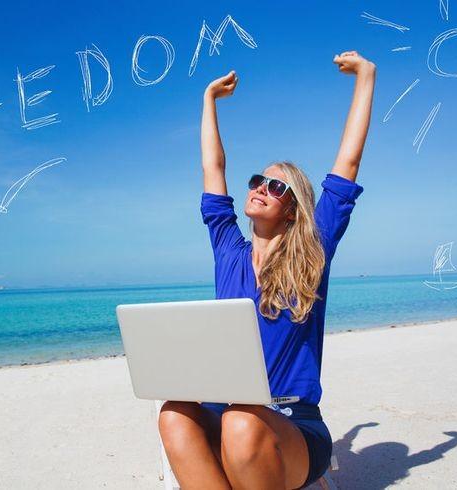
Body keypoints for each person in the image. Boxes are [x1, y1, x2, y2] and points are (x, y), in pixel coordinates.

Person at [158, 51, 376, 489]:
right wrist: (208, 100)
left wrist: (365, 77)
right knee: (174, 414)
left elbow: (348, 164)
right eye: (257, 180)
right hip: (227, 414)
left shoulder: (312, 251)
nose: (261, 188)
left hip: (291, 422)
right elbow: (213, 167)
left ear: (293, 209)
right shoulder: (229, 251)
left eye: (276, 186)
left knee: (241, 420)